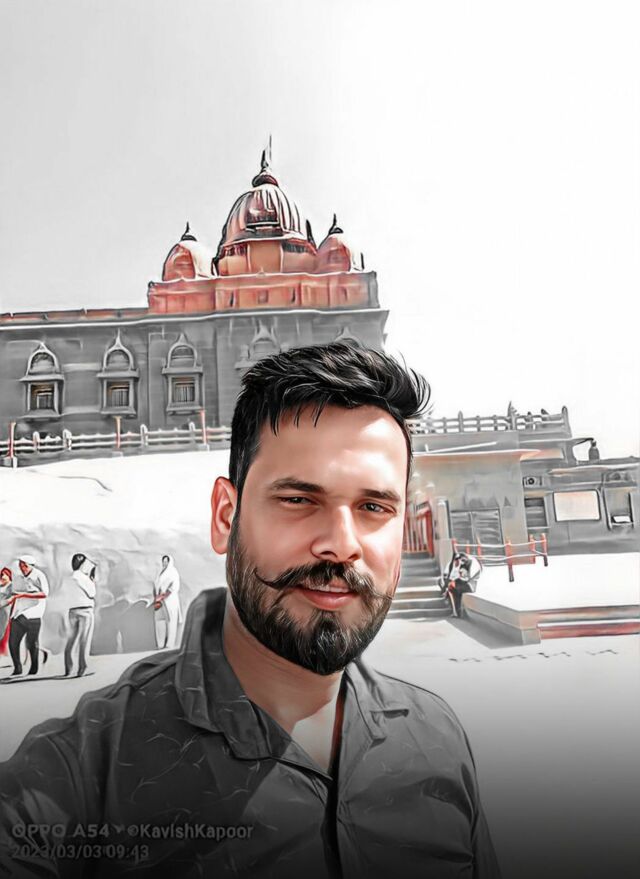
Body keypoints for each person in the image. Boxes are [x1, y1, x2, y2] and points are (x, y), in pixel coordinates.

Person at [0, 343, 501, 878]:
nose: (341, 544)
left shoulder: (434, 740)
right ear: (225, 517)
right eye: (298, 500)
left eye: (374, 507)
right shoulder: (84, 768)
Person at [7, 554, 49, 676]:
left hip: (34, 611)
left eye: (24, 565)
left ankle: (34, 667)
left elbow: (44, 594)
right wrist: (12, 612)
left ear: (31, 566)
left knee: (32, 642)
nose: (22, 568)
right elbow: (15, 595)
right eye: (20, 565)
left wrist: (24, 594)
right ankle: (18, 667)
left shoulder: (39, 575)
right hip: (19, 611)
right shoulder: (18, 577)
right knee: (13, 642)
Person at [63, 553, 97, 677]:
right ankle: (83, 668)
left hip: (72, 611)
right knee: (84, 640)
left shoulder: (69, 578)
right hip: (85, 611)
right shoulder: (83, 577)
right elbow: (92, 593)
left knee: (71, 639)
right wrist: (92, 580)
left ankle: (68, 668)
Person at [152, 554, 183, 649]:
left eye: (166, 562)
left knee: (171, 622)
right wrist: (156, 596)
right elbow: (155, 585)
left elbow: (174, 587)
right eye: (163, 562)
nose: (164, 563)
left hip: (170, 601)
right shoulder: (160, 573)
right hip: (159, 601)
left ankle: (170, 644)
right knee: (159, 621)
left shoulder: (173, 572)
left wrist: (163, 596)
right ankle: (160, 644)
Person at [443, 551, 483, 618]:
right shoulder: (458, 563)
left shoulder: (470, 562)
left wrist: (454, 581)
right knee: (451, 587)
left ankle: (456, 612)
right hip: (464, 582)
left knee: (452, 587)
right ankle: (456, 611)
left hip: (471, 585)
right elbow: (453, 576)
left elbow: (467, 577)